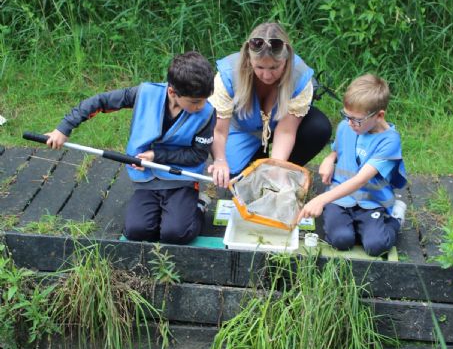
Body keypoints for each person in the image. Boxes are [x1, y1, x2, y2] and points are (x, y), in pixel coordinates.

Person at [45, 51, 216, 244]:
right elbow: (101, 101)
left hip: (181, 179)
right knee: (136, 232)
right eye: (195, 102)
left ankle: (199, 205)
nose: (202, 106)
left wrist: (155, 155)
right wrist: (64, 127)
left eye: (205, 99)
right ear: (172, 92)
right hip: (145, 179)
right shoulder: (145, 93)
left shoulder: (207, 113)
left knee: (175, 234)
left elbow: (197, 155)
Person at [208, 22, 332, 187]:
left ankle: (284, 169)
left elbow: (286, 131)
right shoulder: (228, 75)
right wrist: (220, 160)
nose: (266, 76)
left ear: (286, 60)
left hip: (280, 126)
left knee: (318, 127)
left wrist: (275, 170)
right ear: (248, 58)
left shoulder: (300, 75)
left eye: (274, 67)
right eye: (259, 67)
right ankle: (258, 159)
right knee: (236, 180)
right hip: (241, 130)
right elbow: (219, 130)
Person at [297, 74, 407, 257]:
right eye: (346, 116)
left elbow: (360, 180)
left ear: (379, 115)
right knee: (341, 240)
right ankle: (357, 229)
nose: (349, 123)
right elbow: (339, 149)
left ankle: (395, 219)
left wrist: (320, 199)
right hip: (341, 198)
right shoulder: (346, 126)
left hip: (372, 201)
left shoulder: (389, 142)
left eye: (356, 119)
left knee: (376, 246)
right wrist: (330, 158)